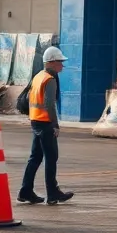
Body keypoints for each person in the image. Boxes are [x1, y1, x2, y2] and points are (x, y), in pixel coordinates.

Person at [18, 46, 74, 206]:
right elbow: (50, 104)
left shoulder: (38, 76)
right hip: (45, 122)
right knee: (51, 157)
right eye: (60, 62)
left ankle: (25, 191)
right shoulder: (49, 79)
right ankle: (52, 193)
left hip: (35, 121)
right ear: (51, 62)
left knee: (35, 157)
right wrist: (55, 124)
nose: (62, 66)